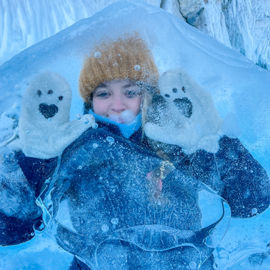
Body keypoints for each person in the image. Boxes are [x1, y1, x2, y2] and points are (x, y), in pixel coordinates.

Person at [0, 34, 269, 270]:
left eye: (130, 91)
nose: (117, 105)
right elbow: (10, 229)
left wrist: (210, 139)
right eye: (104, 93)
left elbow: (253, 198)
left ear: (148, 94)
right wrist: (33, 159)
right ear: (89, 100)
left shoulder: (179, 146)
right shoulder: (74, 150)